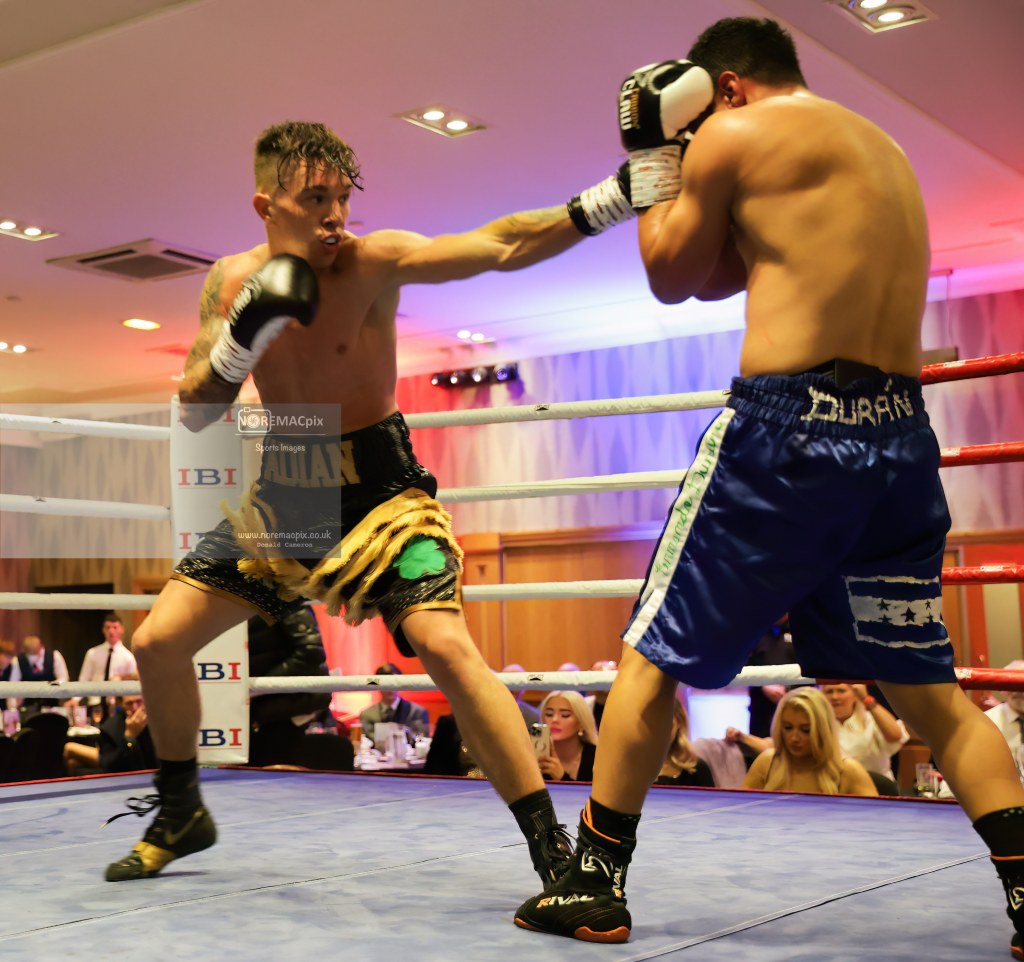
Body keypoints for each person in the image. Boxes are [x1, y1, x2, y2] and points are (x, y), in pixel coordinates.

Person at [514, 19, 1024, 953]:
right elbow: (728, 269)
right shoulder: (881, 148)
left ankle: (592, 883)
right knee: (927, 690)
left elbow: (671, 275)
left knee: (650, 657)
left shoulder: (734, 132)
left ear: (727, 86)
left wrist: (657, 152)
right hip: (899, 442)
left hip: (788, 436)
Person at [105, 119, 640, 886]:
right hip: (287, 494)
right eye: (313, 199)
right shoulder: (230, 281)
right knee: (159, 640)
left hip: (385, 493)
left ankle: (548, 847)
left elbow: (499, 244)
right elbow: (197, 406)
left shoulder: (373, 261)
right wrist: (240, 339)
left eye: (341, 197)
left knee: (445, 647)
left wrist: (613, 198)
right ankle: (181, 809)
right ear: (266, 205)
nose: (334, 216)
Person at [741, 688, 877, 796]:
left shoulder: (849, 771)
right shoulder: (766, 763)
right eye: (788, 728)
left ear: (822, 730)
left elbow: (874, 819)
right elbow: (741, 812)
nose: (794, 738)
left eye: (805, 730)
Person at [247, 605, 333, 767]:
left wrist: (259, 687)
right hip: (262, 709)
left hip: (285, 709)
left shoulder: (285, 600)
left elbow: (311, 652)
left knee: (275, 772)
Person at [821, 682, 908, 782]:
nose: (835, 697)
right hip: (832, 786)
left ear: (855, 695)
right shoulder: (817, 724)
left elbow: (895, 736)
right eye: (829, 691)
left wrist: (866, 698)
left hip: (876, 786)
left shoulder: (871, 720)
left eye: (841, 691)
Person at [65, 692, 156, 775]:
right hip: (119, 773)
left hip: (148, 774)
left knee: (69, 750)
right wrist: (129, 737)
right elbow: (112, 767)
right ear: (120, 704)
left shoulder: (155, 723)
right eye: (129, 703)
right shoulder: (110, 727)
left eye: (139, 702)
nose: (135, 708)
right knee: (72, 762)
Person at [77, 612, 138, 721]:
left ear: (121, 629)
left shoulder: (128, 657)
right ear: (103, 630)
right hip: (95, 702)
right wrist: (75, 699)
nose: (111, 631)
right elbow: (84, 679)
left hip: (116, 706)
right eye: (108, 627)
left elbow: (131, 684)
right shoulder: (92, 653)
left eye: (115, 627)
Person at [536, 691, 599, 782]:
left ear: (581, 723)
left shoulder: (597, 757)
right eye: (549, 714)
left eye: (565, 715)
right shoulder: (534, 756)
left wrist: (561, 777)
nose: (554, 720)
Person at [655, 693, 715, 787]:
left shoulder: (697, 767)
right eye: (654, 725)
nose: (661, 732)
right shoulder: (633, 767)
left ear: (679, 723)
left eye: (667, 725)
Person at [358, 662, 429, 741]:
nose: (389, 688)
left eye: (393, 683)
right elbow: (365, 741)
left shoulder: (417, 712)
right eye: (384, 683)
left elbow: (422, 740)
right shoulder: (366, 715)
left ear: (400, 684)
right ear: (376, 686)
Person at [15, 635, 70, 712]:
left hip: (51, 703)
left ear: (41, 647)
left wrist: (48, 687)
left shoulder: (54, 655)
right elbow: (13, 684)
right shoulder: (19, 659)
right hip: (29, 705)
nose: (33, 657)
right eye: (30, 654)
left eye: (35, 653)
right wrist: (13, 707)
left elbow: (64, 678)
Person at [503, 663, 540, 728]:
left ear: (524, 687)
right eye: (507, 680)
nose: (511, 687)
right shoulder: (488, 711)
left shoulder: (534, 716)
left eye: (516, 681)